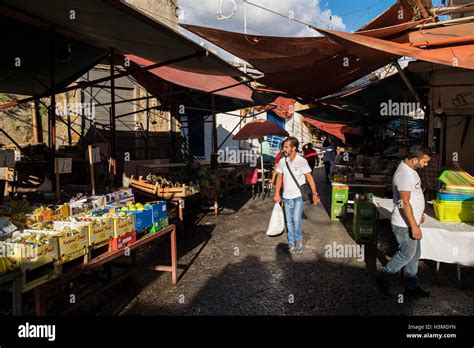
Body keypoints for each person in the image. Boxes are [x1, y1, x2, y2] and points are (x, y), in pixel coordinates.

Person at [376, 145, 432, 298]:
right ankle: (383, 277)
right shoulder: (404, 175)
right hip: (404, 224)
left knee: (414, 255)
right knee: (406, 254)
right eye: (425, 162)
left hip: (410, 220)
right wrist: (414, 226)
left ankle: (411, 286)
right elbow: (404, 202)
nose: (426, 165)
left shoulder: (411, 171)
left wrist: (418, 213)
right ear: (415, 159)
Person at [273, 137, 320, 253]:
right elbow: (279, 177)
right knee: (289, 220)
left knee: (296, 219)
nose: (284, 149)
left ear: (293, 148)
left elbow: (309, 177)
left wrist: (315, 194)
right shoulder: (282, 161)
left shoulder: (302, 161)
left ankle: (298, 240)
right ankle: (291, 240)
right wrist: (276, 194)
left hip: (298, 195)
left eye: (286, 147)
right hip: (286, 195)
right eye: (284, 146)